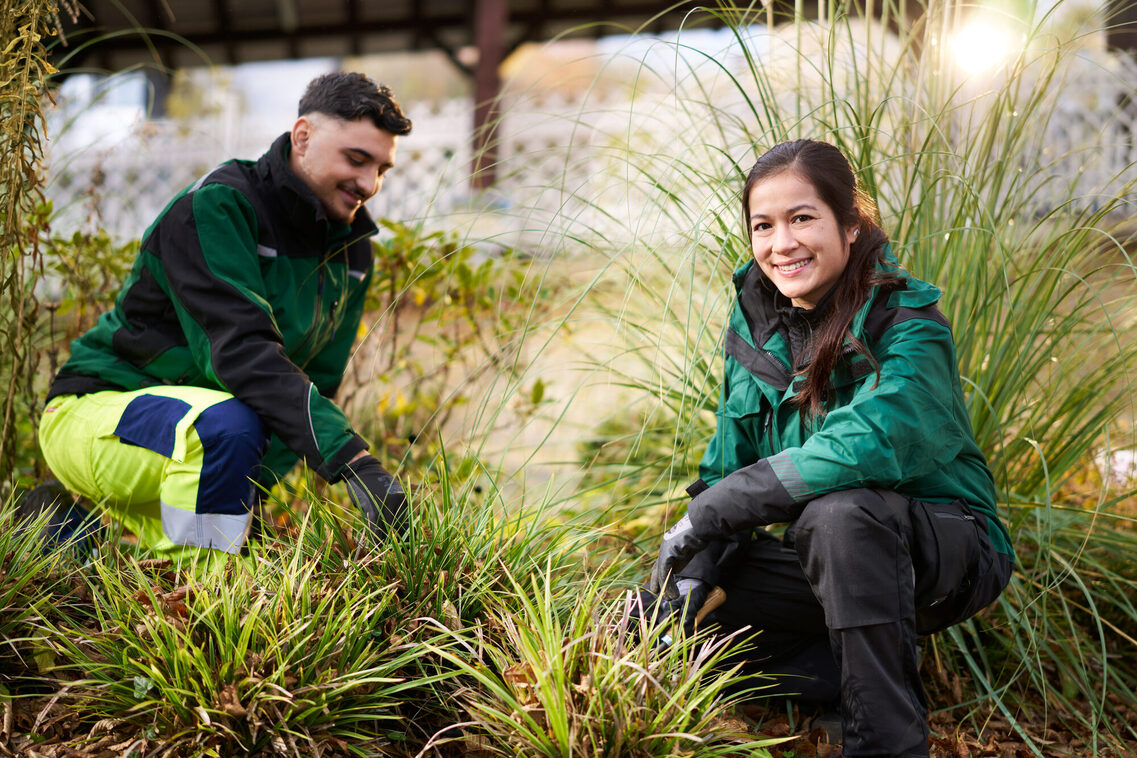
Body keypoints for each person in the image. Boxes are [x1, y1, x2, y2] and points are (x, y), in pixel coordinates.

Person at [646, 139, 1014, 757]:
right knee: (659, 605)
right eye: (763, 226)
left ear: (850, 225)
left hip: (947, 551)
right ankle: (833, 673)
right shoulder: (754, 329)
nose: (781, 244)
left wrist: (718, 508)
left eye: (802, 218)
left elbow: (877, 436)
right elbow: (727, 467)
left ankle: (884, 740)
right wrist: (694, 566)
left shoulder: (907, 318)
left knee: (838, 516)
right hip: (829, 562)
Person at [30, 71, 413, 557]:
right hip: (101, 413)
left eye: (382, 169)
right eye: (356, 159)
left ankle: (59, 533)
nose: (368, 184)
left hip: (203, 438)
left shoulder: (352, 253)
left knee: (224, 548)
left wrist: (252, 497)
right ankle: (202, 599)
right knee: (217, 583)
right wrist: (354, 461)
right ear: (303, 136)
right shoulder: (218, 207)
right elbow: (242, 353)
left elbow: (313, 378)